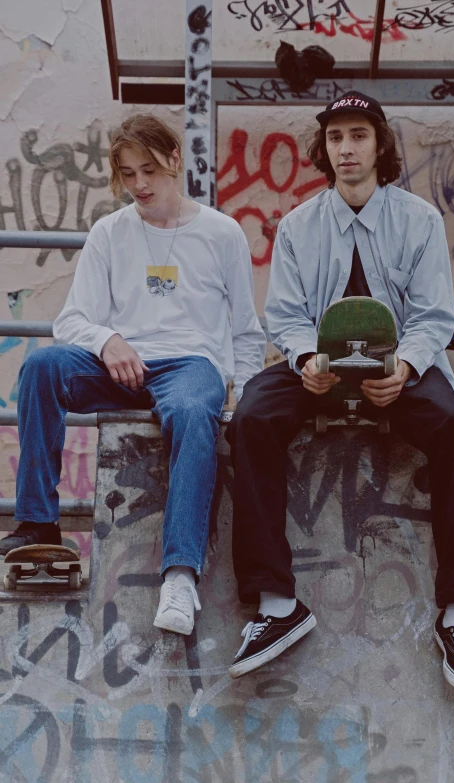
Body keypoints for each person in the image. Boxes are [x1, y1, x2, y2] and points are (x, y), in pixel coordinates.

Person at [226, 91, 454, 692]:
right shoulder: (298, 224)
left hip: (398, 370)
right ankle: (275, 605)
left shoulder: (419, 219)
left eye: (358, 136)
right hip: (318, 369)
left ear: (380, 146)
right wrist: (302, 359)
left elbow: (432, 316)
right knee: (251, 418)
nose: (345, 148)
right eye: (335, 138)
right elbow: (287, 314)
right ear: (323, 150)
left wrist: (405, 366)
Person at [1, 114, 266, 635]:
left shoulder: (221, 232)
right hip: (118, 364)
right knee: (40, 368)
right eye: (127, 174)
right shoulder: (109, 232)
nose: (139, 185)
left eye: (149, 170)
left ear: (174, 161)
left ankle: (180, 574)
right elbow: (71, 320)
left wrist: (247, 396)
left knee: (193, 410)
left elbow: (247, 329)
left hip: (193, 365)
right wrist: (108, 339)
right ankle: (37, 523)